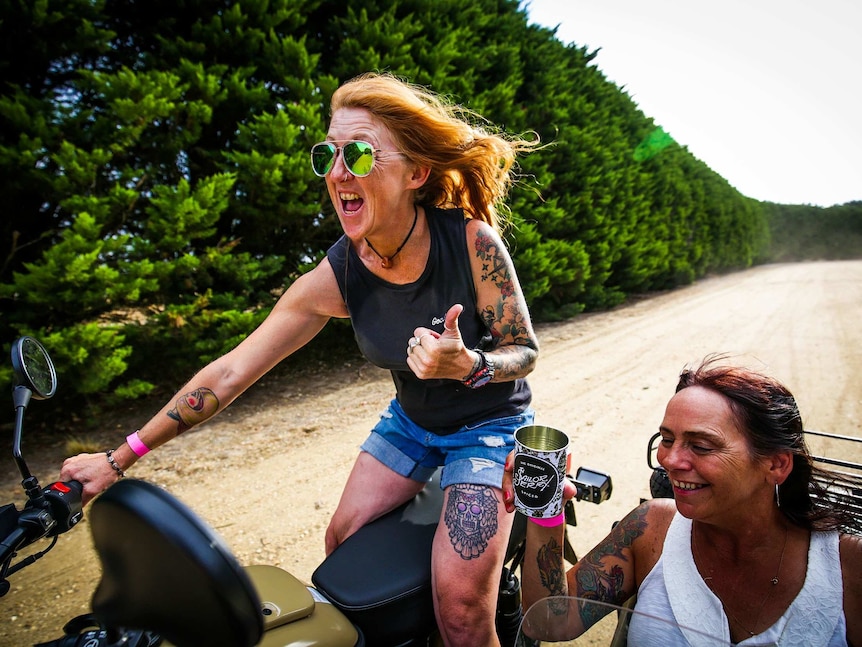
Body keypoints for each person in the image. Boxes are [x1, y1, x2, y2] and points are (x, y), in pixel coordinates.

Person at [60, 72, 542, 646]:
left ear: (415, 173)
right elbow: (231, 371)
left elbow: (526, 351)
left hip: (487, 429)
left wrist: (471, 366)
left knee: (461, 610)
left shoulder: (472, 242)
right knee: (343, 547)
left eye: (360, 154)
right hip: (411, 425)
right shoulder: (337, 275)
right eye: (327, 154)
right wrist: (117, 461)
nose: (338, 172)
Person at [503, 358, 862, 646]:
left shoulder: (848, 568)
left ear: (776, 464)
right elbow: (550, 621)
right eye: (667, 439)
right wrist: (545, 505)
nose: (670, 461)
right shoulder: (650, 529)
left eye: (702, 446)